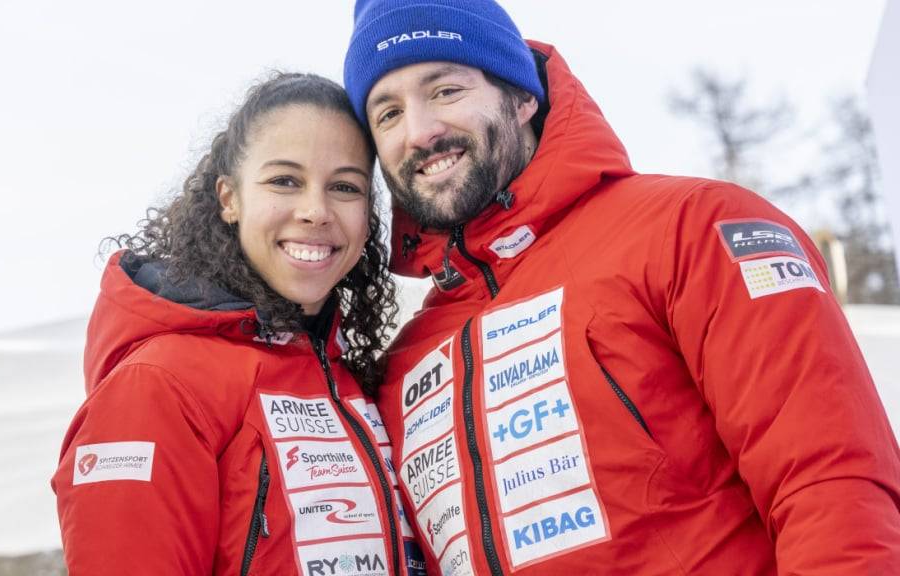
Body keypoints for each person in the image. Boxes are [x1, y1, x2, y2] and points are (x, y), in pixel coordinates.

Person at [342, 0, 900, 574]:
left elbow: (834, 486)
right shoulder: (402, 366)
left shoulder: (692, 229)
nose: (419, 132)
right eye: (388, 114)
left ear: (522, 95)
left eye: (445, 91)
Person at [51, 73, 423, 575]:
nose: (316, 210)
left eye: (344, 186)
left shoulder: (349, 379)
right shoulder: (158, 384)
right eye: (285, 181)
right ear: (229, 198)